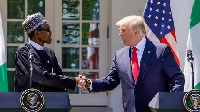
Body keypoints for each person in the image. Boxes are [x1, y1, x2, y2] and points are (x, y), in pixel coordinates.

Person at [78, 15, 185, 112]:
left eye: (123, 30)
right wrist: (90, 83)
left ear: (136, 32)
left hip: (155, 109)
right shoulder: (119, 55)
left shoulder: (160, 51)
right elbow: (111, 81)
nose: (120, 33)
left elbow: (177, 77)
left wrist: (171, 100)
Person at [14, 12, 88, 92]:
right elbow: (41, 78)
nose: (50, 32)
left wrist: (77, 81)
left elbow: (59, 78)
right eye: (47, 29)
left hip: (50, 102)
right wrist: (74, 80)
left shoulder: (49, 53)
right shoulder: (24, 51)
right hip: (29, 102)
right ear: (37, 33)